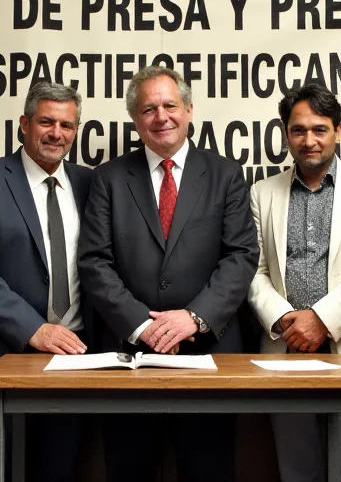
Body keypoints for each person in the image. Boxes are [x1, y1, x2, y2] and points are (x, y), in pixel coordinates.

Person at [77, 65, 258, 482]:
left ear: (189, 110)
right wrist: (142, 325)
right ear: (136, 120)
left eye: (170, 106)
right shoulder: (108, 178)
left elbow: (241, 256)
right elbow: (94, 261)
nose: (161, 117)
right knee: (130, 469)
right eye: (148, 109)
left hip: (208, 354)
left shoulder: (226, 175)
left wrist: (192, 318)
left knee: (208, 470)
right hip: (130, 356)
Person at [247, 83, 341, 482]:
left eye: (319, 129)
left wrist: (321, 319)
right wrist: (285, 320)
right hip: (286, 351)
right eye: (298, 130)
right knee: (296, 472)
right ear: (286, 135)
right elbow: (253, 271)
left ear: (339, 130)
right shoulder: (263, 192)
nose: (309, 140)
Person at [0, 81, 94, 482]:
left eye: (67, 125)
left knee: (59, 471)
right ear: (24, 124)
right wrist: (34, 328)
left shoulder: (89, 184)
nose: (57, 133)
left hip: (75, 358)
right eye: (46, 122)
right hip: (1, 355)